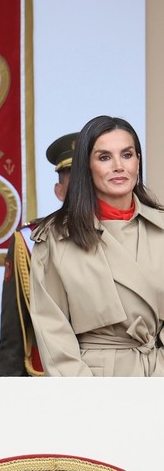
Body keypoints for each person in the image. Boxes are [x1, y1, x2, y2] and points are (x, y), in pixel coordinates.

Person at [30, 115, 164, 376]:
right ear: (86, 167)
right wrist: (89, 396)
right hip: (96, 380)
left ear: (138, 162)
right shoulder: (56, 238)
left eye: (127, 155)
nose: (118, 166)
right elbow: (53, 333)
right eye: (104, 157)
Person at [0, 131, 78, 376]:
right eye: (74, 179)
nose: (83, 187)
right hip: (51, 373)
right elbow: (14, 329)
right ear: (59, 190)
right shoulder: (30, 240)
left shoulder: (129, 232)